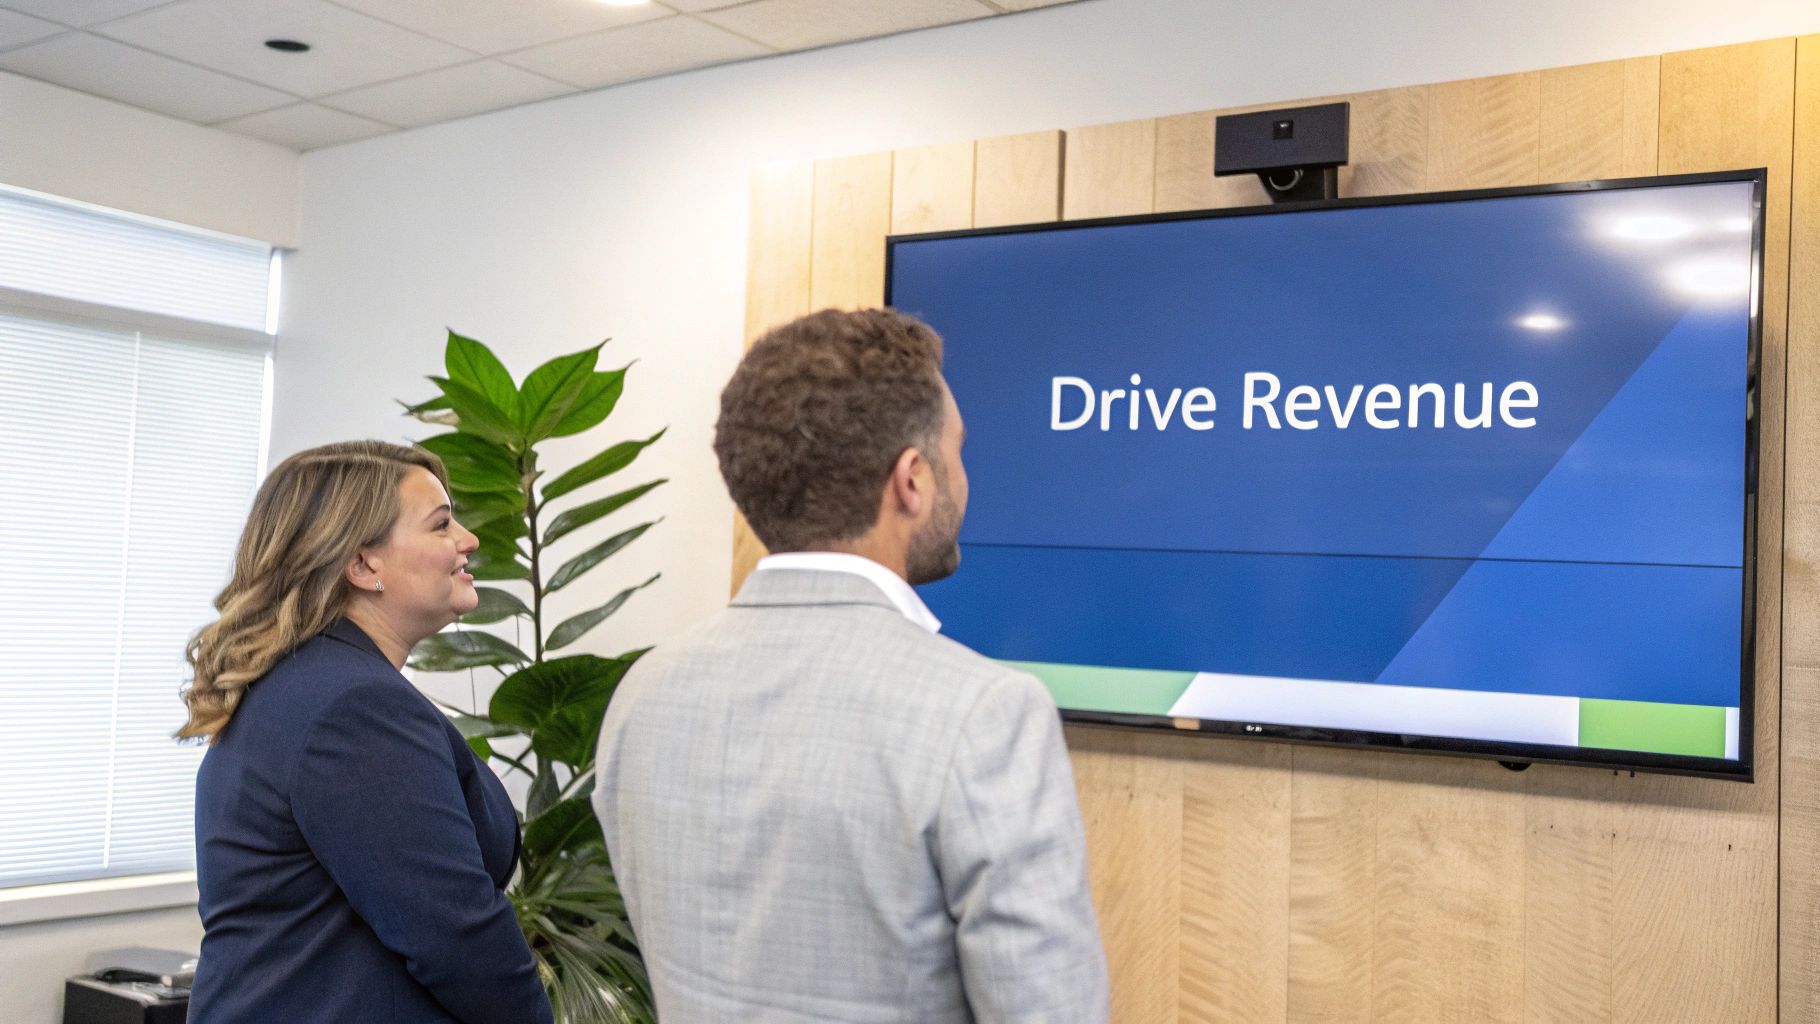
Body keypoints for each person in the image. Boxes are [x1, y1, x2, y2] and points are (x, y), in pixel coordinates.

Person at [592, 308, 1109, 1023]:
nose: (966, 477)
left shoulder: (645, 692)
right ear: (912, 480)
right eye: (957, 451)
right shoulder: (985, 713)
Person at [180, 440, 553, 1024]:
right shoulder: (354, 706)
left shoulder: (305, 683)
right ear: (362, 565)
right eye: (440, 525)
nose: (469, 540)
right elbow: (458, 937)